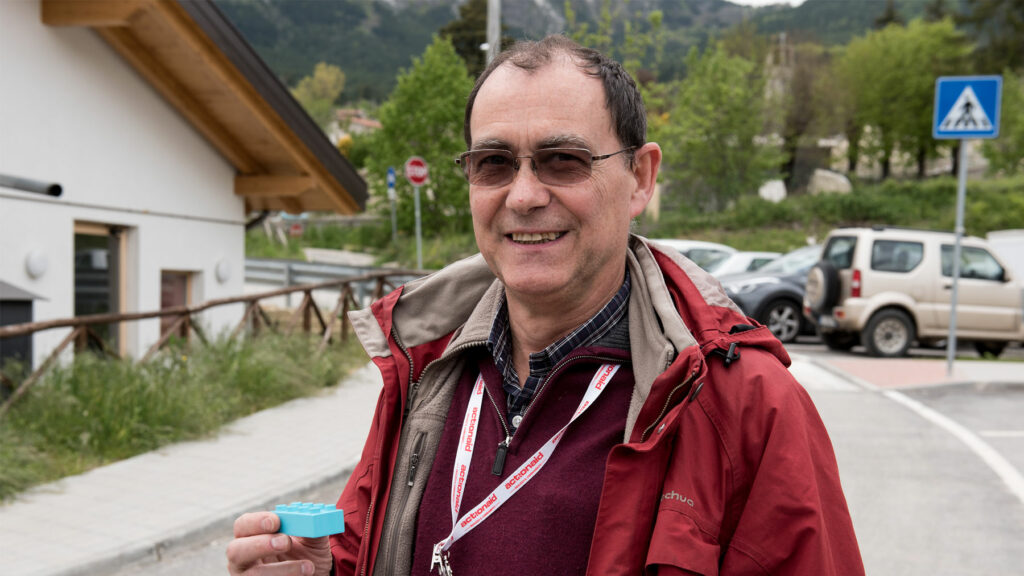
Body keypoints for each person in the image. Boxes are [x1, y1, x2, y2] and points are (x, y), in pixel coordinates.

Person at [227, 35, 864, 576]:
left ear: (640, 178)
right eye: (494, 163)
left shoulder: (746, 404)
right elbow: (366, 548)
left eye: (563, 160)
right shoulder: (425, 365)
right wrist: (318, 569)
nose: (524, 195)